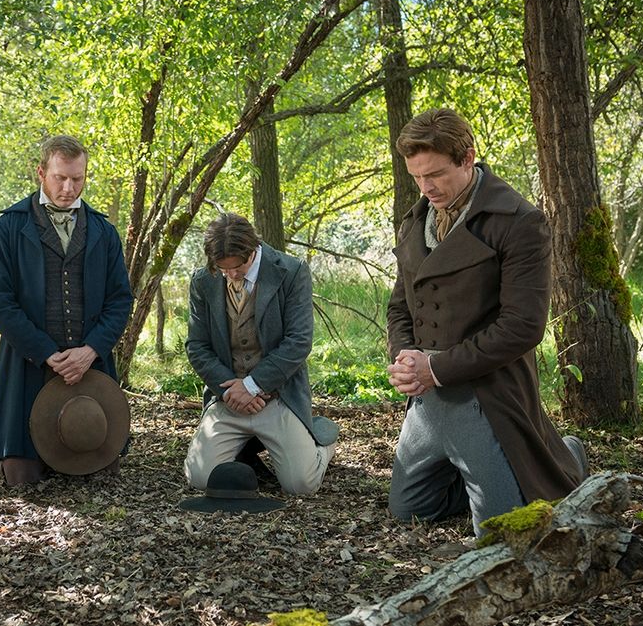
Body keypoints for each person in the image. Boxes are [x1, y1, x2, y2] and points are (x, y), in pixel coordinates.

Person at [385, 108, 587, 537]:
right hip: (425, 401)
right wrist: (404, 358)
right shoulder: (414, 221)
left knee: (496, 529)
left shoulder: (519, 221)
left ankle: (564, 457)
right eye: (417, 177)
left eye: (436, 174)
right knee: (411, 509)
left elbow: (523, 326)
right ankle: (475, 471)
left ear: (467, 157)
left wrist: (436, 367)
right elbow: (400, 306)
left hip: (487, 393)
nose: (426, 188)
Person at [0, 134, 133, 485]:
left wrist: (91, 350)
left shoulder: (103, 231)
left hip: (90, 368)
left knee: (101, 468)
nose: (68, 187)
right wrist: (47, 353)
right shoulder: (7, 229)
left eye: (77, 179)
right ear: (41, 173)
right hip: (28, 365)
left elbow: (120, 299)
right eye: (60, 177)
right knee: (22, 477)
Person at [183, 213, 338, 495]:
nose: (231, 275)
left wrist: (252, 386)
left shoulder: (291, 271)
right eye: (222, 268)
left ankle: (322, 440)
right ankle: (244, 450)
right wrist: (230, 390)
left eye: (238, 267)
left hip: (277, 396)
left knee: (301, 485)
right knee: (200, 478)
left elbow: (299, 342)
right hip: (227, 397)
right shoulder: (202, 281)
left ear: (253, 250)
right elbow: (197, 345)